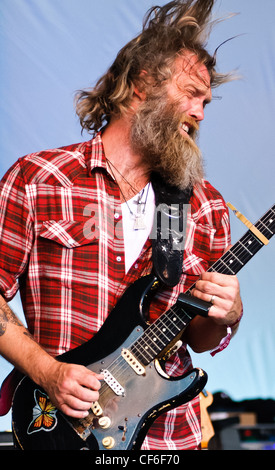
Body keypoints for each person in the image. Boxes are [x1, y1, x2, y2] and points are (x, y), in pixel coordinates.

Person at [0, 0, 242, 450]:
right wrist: (47, 371)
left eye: (206, 101)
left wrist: (229, 315)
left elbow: (199, 337)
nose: (200, 113)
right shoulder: (39, 179)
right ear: (140, 84)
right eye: (190, 93)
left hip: (169, 439)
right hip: (66, 429)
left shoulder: (204, 205)